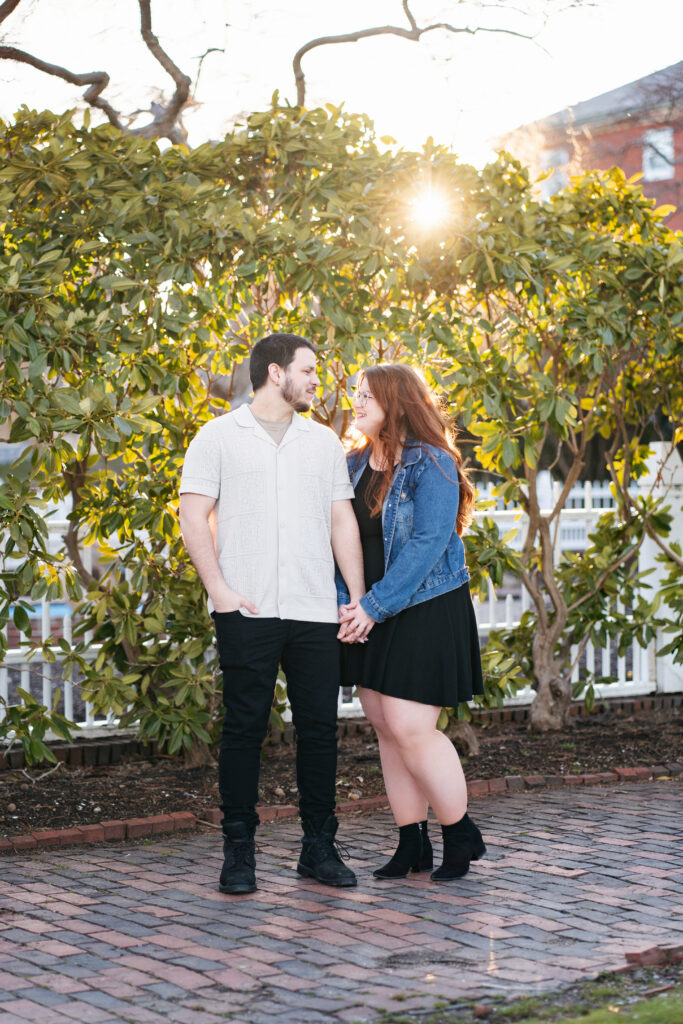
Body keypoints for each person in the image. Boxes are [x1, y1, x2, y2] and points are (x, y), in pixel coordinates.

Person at [179, 333, 365, 895]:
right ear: (276, 373)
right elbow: (192, 518)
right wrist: (221, 592)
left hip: (314, 610)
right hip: (248, 608)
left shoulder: (324, 442)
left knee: (320, 732)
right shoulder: (216, 437)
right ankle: (239, 853)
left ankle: (319, 849)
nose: (316, 381)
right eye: (308, 371)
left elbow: (341, 523)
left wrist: (355, 598)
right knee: (243, 731)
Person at [337, 363, 486, 882]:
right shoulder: (353, 462)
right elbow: (341, 540)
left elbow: (427, 544)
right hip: (370, 608)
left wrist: (374, 607)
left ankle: (460, 831)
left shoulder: (434, 463)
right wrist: (350, 605)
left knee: (411, 726)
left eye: (365, 393)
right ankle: (411, 843)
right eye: (354, 392)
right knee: (383, 726)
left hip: (423, 604)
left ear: (396, 399)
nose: (355, 401)